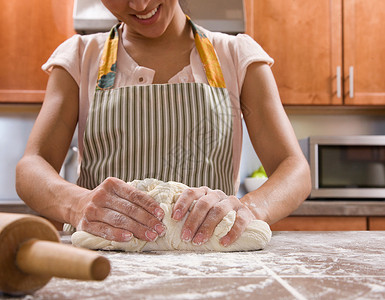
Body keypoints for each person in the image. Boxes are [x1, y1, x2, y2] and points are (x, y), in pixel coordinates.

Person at [16, 0, 311, 247]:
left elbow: (293, 168)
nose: (139, 4)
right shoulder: (80, 58)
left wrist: (248, 208)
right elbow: (32, 165)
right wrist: (77, 204)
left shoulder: (236, 57)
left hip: (209, 259)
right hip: (104, 258)